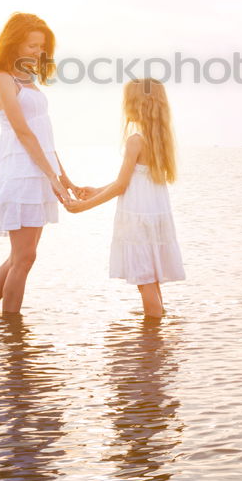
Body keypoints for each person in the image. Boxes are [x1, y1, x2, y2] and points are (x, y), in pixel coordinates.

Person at [0, 12, 88, 314]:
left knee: (21, 257)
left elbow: (45, 138)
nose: (38, 52)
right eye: (31, 46)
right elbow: (23, 132)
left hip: (40, 170)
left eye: (41, 47)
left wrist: (64, 178)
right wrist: (51, 176)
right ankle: (12, 330)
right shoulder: (3, 80)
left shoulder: (31, 83)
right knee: (24, 258)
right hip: (21, 171)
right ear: (13, 45)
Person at [65, 78, 185, 318]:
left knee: (145, 280)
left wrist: (83, 206)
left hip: (137, 218)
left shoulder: (136, 141)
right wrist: (97, 189)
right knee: (152, 281)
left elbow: (121, 186)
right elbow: (130, 181)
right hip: (154, 217)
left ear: (136, 105)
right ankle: (157, 344)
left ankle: (150, 348)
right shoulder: (160, 141)